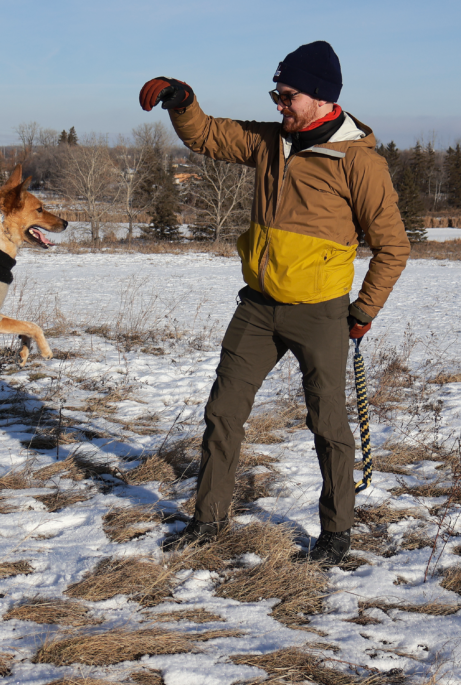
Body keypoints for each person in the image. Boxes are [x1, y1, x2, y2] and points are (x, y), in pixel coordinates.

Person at [139, 41, 409, 564]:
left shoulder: (359, 163)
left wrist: (363, 311)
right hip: (258, 307)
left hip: (321, 312)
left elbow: (393, 247)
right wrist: (181, 100)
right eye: (276, 93)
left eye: (287, 95)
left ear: (321, 97)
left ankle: (335, 532)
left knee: (327, 425)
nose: (278, 104)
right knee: (223, 410)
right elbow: (208, 135)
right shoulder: (270, 141)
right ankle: (208, 519)